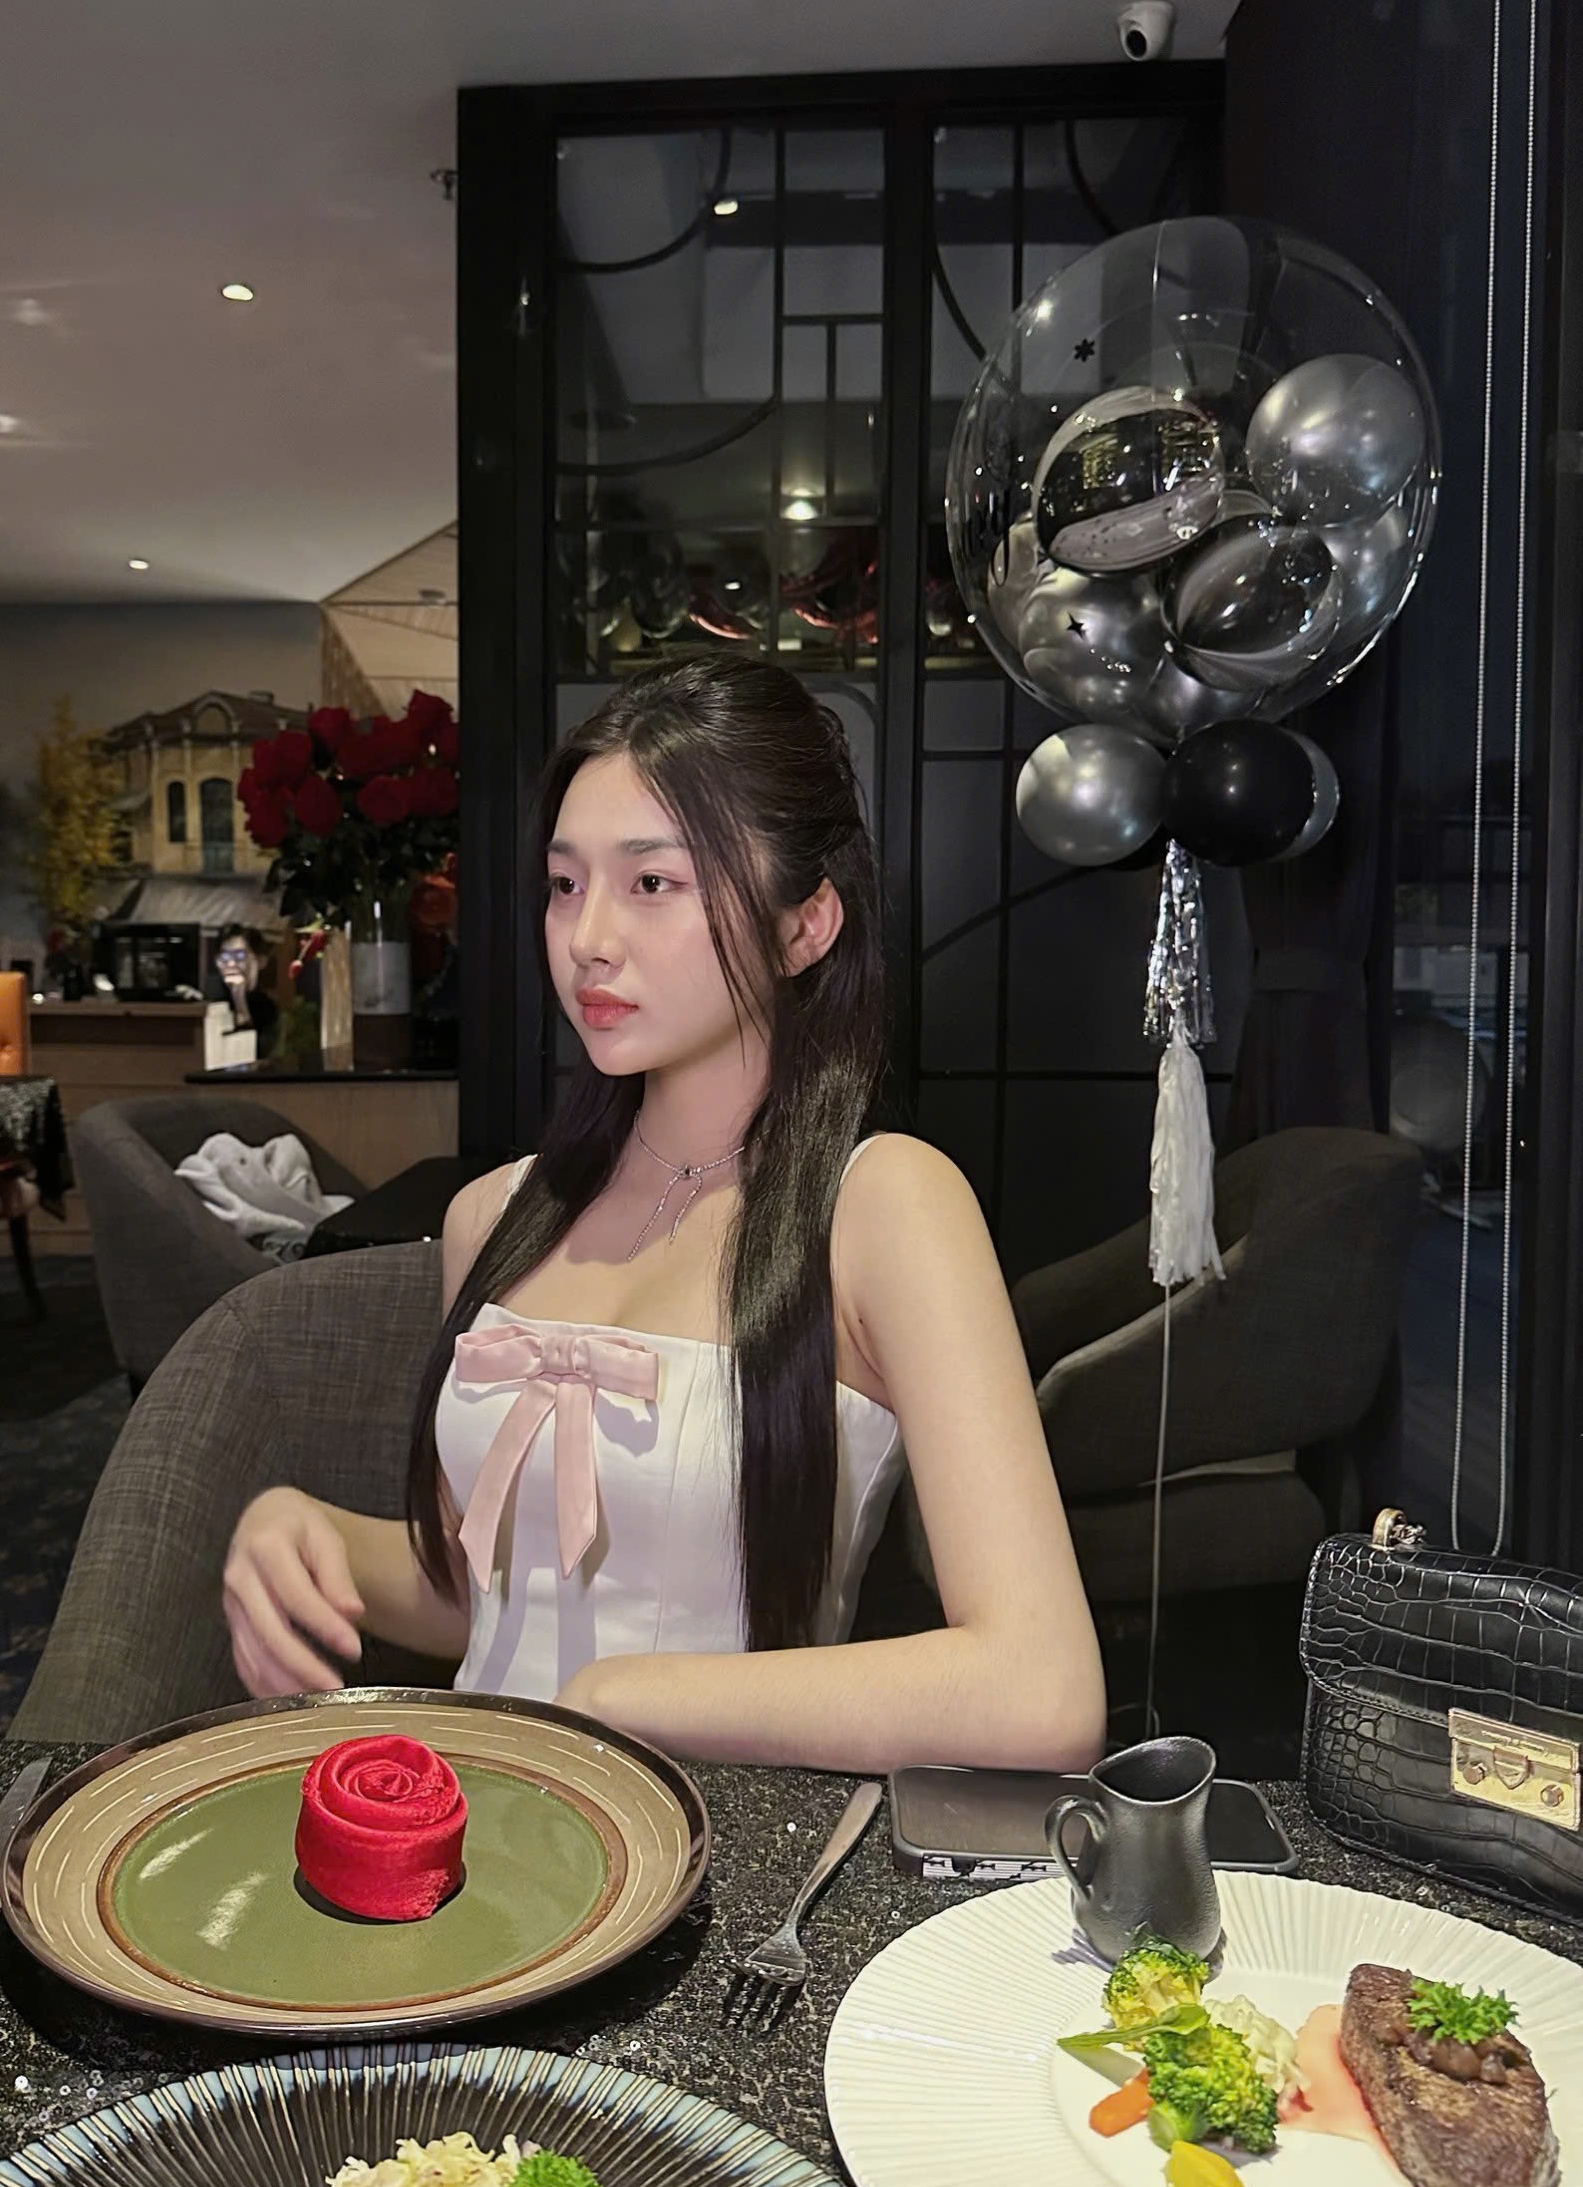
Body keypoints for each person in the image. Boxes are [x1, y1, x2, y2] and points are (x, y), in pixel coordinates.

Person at [223, 656, 1105, 1772]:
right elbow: (479, 1594)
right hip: (485, 1820)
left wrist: (624, 1698)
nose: (588, 936)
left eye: (652, 882)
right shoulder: (495, 1214)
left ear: (805, 926)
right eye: (564, 884)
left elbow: (1040, 1688)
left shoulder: (883, 1207)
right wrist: (311, 1536)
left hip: (723, 1840)